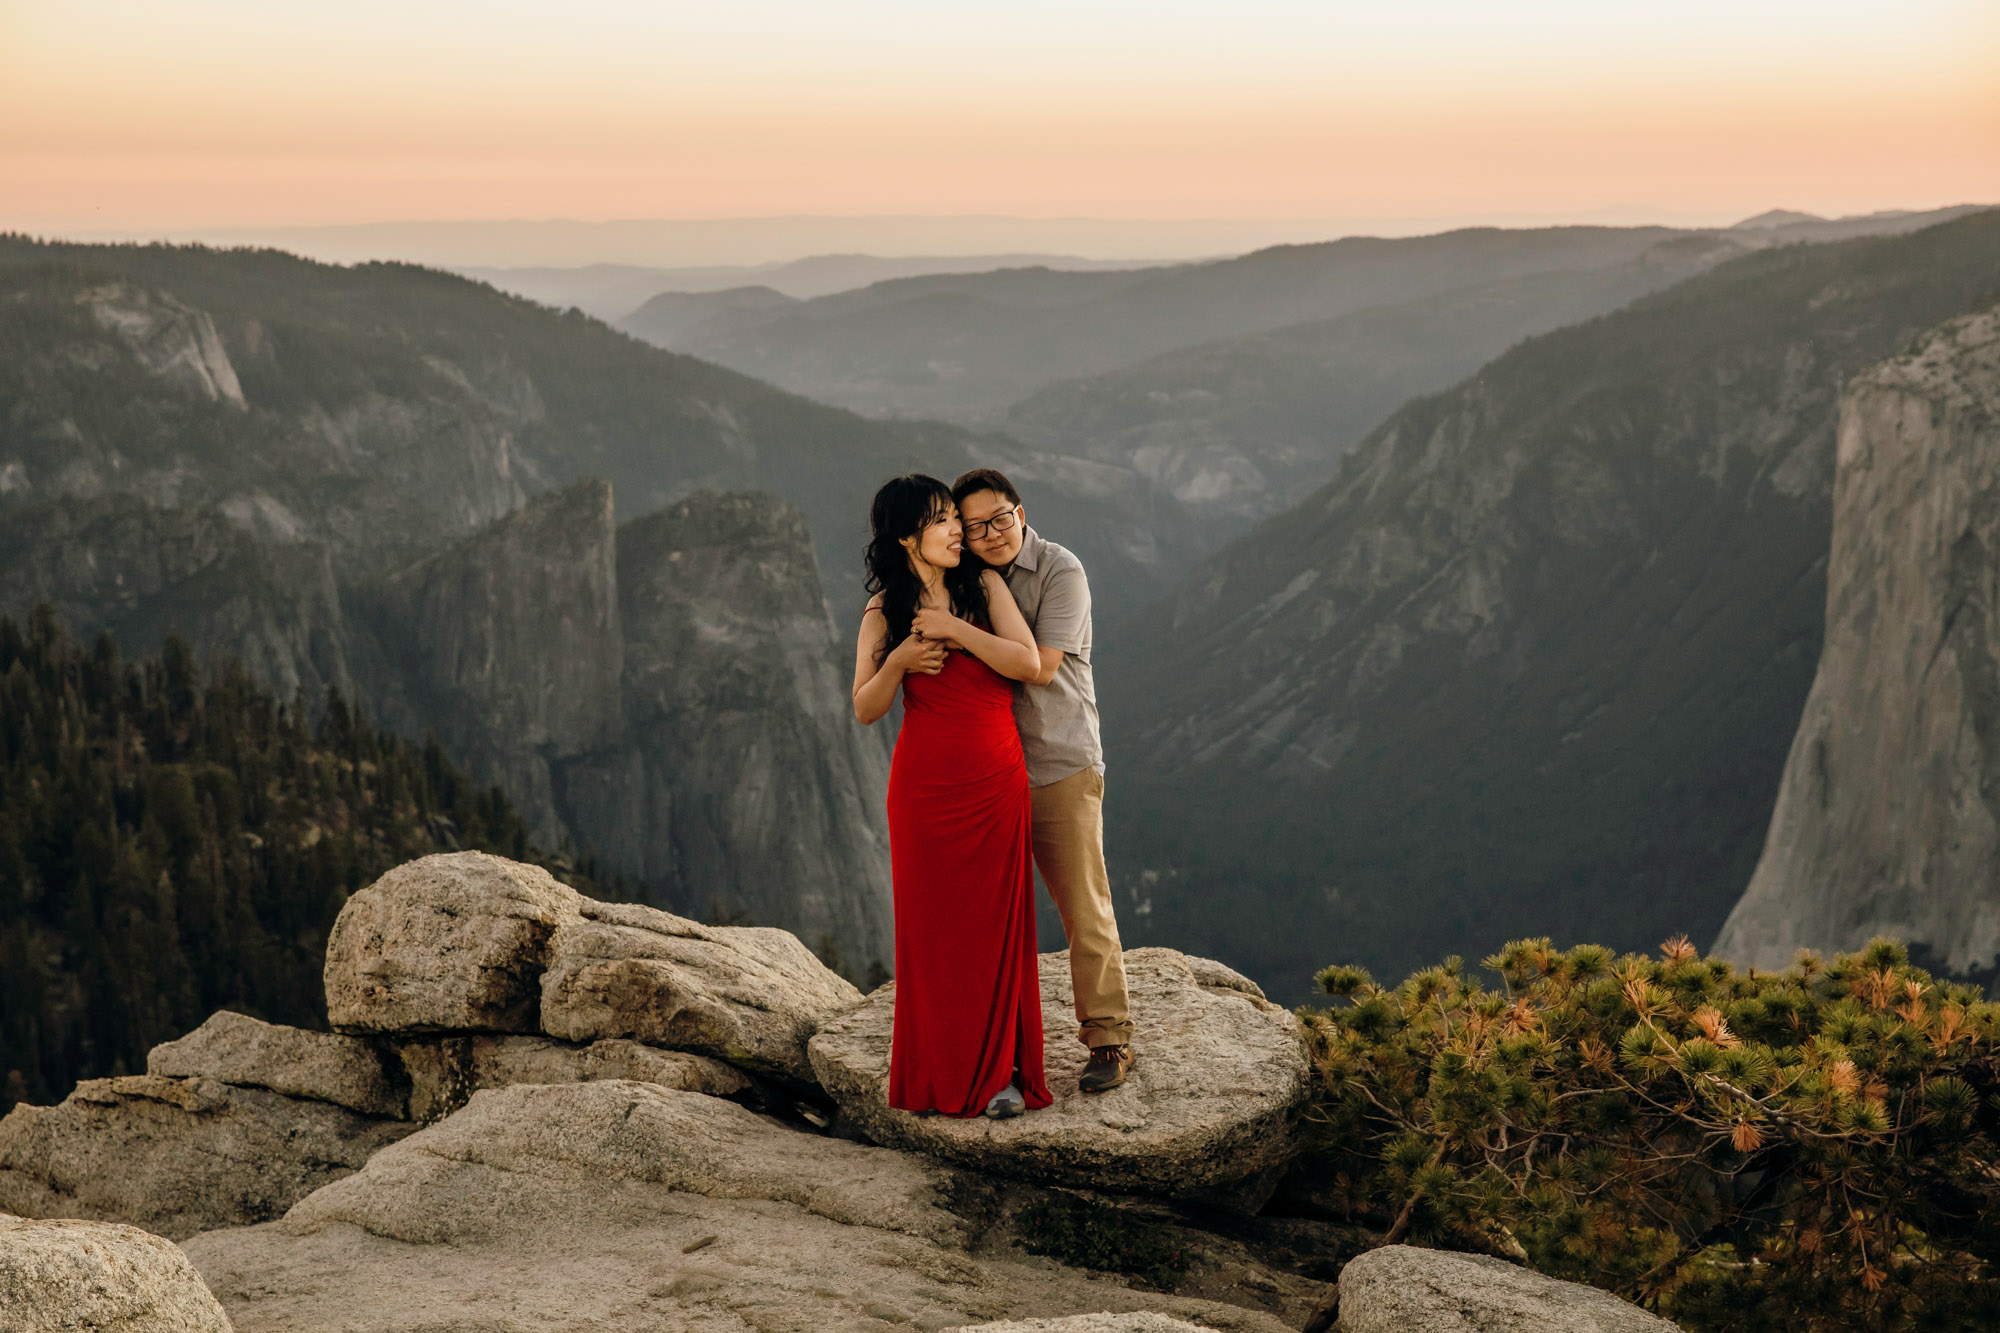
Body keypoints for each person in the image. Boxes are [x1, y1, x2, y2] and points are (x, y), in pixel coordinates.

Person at [852, 474, 1054, 1119]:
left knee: (995, 928)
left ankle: (1004, 1074)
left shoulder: (983, 585)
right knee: (934, 932)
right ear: (909, 536)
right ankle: (938, 1071)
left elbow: (1027, 664)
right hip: (924, 786)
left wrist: (952, 628)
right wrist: (900, 661)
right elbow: (864, 708)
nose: (958, 531)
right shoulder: (884, 611)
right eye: (942, 520)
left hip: (994, 779)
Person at [950, 468, 1134, 1093]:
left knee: (1083, 904)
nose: (991, 533)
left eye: (999, 517)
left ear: (1021, 511)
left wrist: (954, 631)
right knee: (988, 917)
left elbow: (1041, 666)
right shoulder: (962, 576)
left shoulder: (1061, 570)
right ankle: (993, 1048)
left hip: (1057, 762)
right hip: (986, 770)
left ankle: (1108, 1038)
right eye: (973, 526)